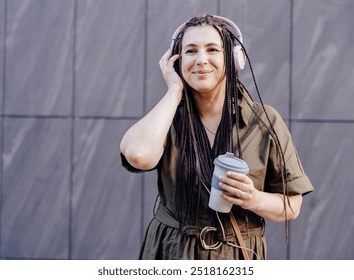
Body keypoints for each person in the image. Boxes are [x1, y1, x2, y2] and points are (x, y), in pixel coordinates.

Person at [120, 14, 313, 260]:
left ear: (233, 58)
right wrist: (174, 91)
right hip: (172, 253)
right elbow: (138, 156)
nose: (201, 60)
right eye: (190, 51)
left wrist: (253, 198)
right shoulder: (165, 119)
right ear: (176, 61)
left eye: (212, 49)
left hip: (235, 256)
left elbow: (291, 207)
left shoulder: (265, 122)